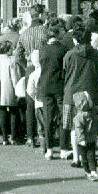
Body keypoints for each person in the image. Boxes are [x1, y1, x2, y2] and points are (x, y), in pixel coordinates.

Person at [63, 17, 98, 166]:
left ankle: (77, 158)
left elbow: (64, 74)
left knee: (74, 127)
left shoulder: (69, 55)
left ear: (75, 39)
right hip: (92, 95)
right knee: (91, 128)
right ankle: (90, 158)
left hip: (72, 95)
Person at [38, 19, 70, 160]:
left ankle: (49, 149)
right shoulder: (63, 50)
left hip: (45, 86)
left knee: (48, 118)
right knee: (64, 117)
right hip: (60, 86)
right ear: (58, 35)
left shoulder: (42, 49)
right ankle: (64, 148)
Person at [0, 40, 21, 145]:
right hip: (9, 89)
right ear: (7, 50)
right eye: (11, 48)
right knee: (14, 112)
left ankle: (4, 138)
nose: (13, 50)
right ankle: (14, 137)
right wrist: (18, 90)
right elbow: (15, 78)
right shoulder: (11, 62)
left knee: (2, 113)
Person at [15, 4, 48, 69]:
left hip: (30, 67)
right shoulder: (46, 32)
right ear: (40, 15)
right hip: (44, 67)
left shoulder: (23, 34)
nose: (46, 16)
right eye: (46, 14)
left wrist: (26, 66)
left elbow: (18, 56)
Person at [25, 49, 43, 148]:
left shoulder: (30, 71)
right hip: (42, 98)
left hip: (33, 96)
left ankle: (30, 138)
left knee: (30, 112)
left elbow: (29, 91)